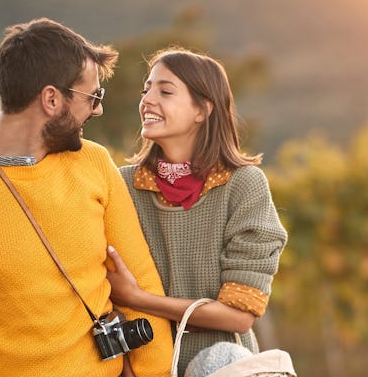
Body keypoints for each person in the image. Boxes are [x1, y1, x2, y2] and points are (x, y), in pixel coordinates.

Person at [0, 18, 173, 377]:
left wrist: (158, 374)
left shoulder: (95, 163)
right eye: (93, 97)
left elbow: (140, 278)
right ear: (51, 99)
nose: (98, 109)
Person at [106, 46, 289, 376]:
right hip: (141, 366)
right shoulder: (123, 185)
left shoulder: (243, 185)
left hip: (223, 367)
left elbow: (238, 314)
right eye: (146, 89)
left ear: (202, 110)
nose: (147, 100)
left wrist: (136, 297)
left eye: (165, 91)